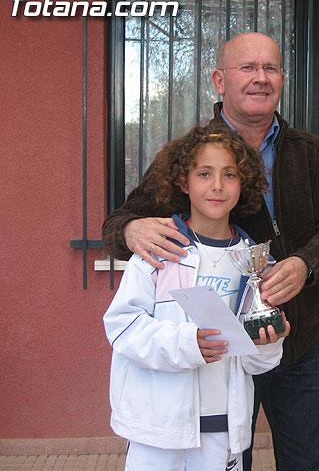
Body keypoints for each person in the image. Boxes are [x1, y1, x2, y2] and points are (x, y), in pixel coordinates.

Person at [102, 32, 319, 470]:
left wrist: (306, 263)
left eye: (270, 69)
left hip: (293, 342)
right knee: (230, 455)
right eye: (248, 68)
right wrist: (131, 230)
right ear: (220, 80)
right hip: (216, 353)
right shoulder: (191, 154)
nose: (261, 78)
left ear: (282, 78)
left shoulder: (307, 152)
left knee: (309, 461)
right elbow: (118, 225)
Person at [104, 124, 291, 470]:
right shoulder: (158, 247)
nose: (217, 185)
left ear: (243, 183)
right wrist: (189, 344)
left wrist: (267, 342)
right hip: (159, 427)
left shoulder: (253, 260)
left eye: (230, 174)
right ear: (183, 182)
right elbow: (122, 327)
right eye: (204, 173)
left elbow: (252, 362)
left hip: (223, 427)